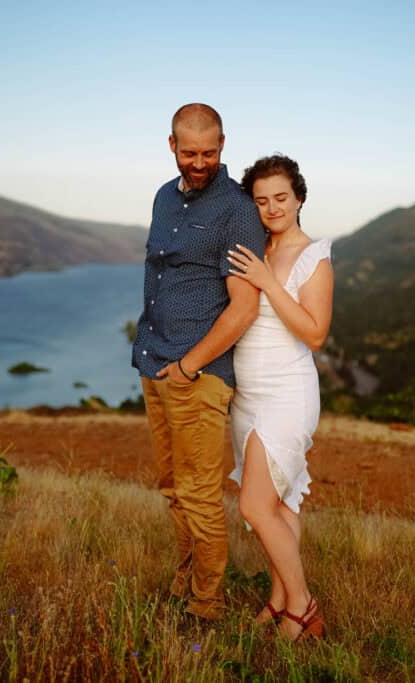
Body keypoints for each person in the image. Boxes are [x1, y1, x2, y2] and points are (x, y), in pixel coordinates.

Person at [132, 103, 267, 620]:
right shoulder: (164, 197)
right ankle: (184, 582)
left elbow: (245, 306)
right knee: (173, 490)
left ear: (223, 145)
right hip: (155, 362)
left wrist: (190, 366)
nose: (199, 162)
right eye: (189, 152)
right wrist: (159, 359)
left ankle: (205, 607)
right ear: (172, 146)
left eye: (209, 152)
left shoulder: (236, 209)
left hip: (199, 373)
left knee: (200, 495)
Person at [225, 154, 333, 640]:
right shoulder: (252, 246)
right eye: (261, 200)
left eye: (281, 198)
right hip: (248, 394)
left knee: (254, 505)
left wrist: (269, 281)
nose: (271, 208)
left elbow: (314, 335)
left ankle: (304, 605)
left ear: (299, 199)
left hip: (288, 393)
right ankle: (278, 598)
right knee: (282, 505)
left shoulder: (313, 256)